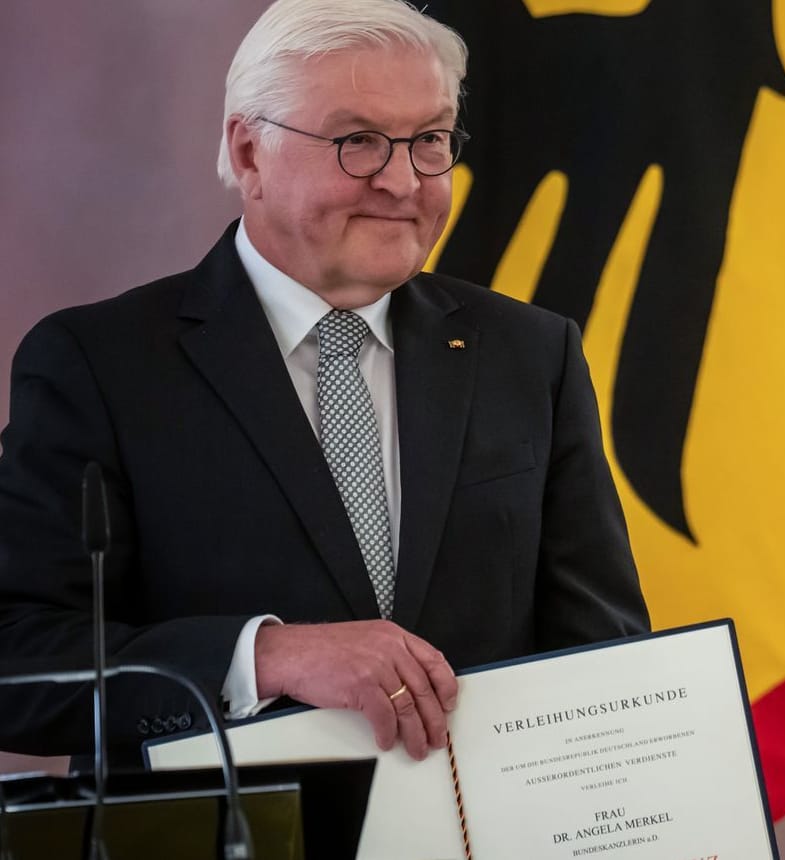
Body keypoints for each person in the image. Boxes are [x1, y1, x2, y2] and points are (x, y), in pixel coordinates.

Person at [0, 0, 648, 766]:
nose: (405, 181)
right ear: (249, 154)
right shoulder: (97, 366)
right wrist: (267, 656)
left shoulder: (532, 354)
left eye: (429, 140)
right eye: (360, 142)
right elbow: (19, 662)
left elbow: (605, 661)